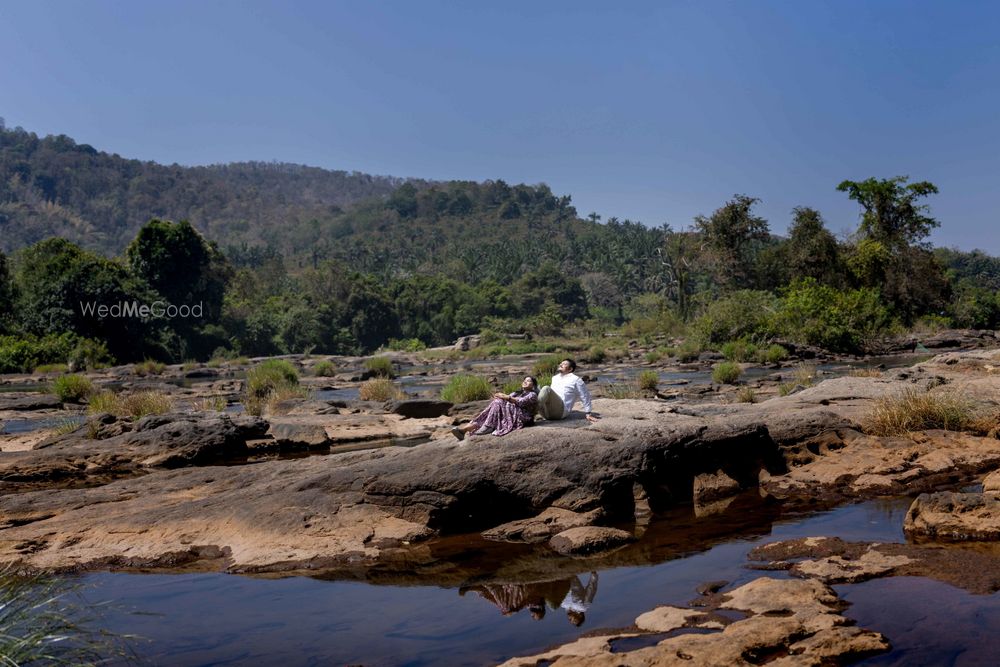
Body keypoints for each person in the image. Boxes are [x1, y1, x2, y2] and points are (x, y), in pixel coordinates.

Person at [451, 376, 538, 440]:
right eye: (524, 380)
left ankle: (488, 426)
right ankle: (463, 430)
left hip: (521, 416)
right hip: (510, 412)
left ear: (533, 385)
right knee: (495, 404)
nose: (525, 382)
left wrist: (504, 397)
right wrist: (500, 396)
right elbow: (507, 397)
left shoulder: (532, 395)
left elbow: (520, 402)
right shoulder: (517, 392)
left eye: (528, 381)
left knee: (498, 402)